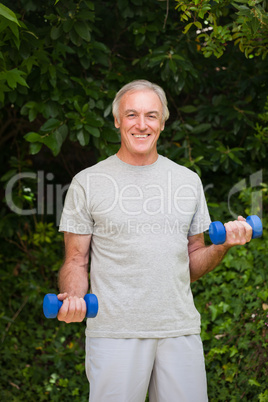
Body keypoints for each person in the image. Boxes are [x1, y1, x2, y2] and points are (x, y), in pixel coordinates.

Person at [57, 80, 253, 402]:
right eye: (132, 114)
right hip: (115, 333)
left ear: (162, 122)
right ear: (117, 120)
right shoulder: (88, 182)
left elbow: (192, 261)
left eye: (151, 115)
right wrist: (75, 299)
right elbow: (76, 260)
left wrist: (224, 244)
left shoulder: (188, 181)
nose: (142, 124)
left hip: (179, 330)